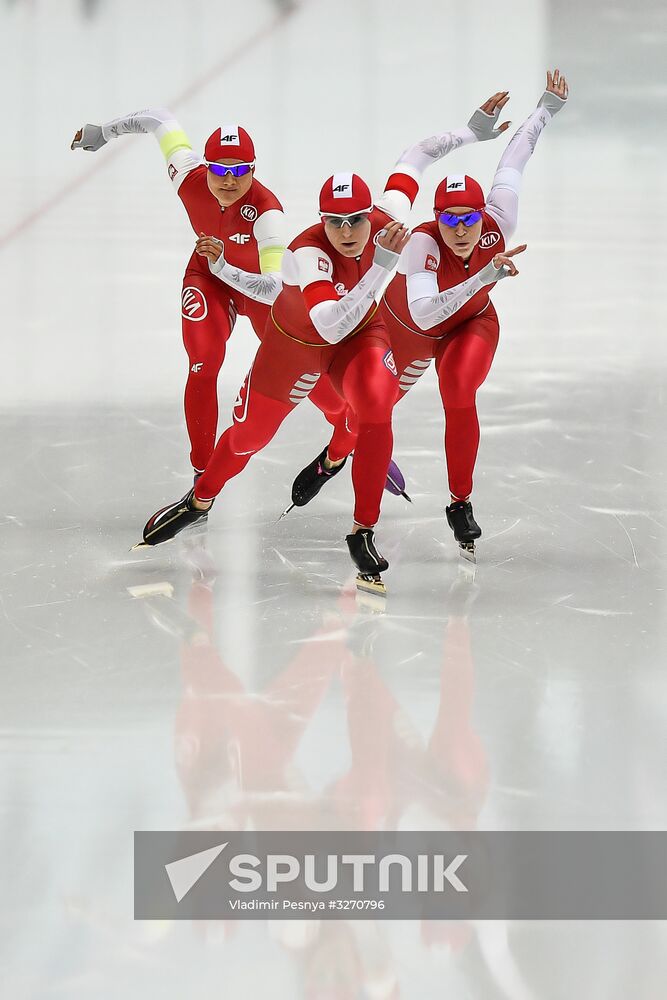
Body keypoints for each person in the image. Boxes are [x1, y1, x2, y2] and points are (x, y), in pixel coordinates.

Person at [136, 92, 515, 592]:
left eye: (357, 219)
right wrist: (381, 267)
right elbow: (331, 323)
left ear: (368, 214)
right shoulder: (305, 254)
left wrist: (472, 133)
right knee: (250, 439)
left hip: (360, 335)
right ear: (321, 221)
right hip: (295, 345)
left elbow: (416, 157)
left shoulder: (383, 221)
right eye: (335, 222)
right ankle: (200, 498)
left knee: (375, 407)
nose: (348, 231)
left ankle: (362, 531)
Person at [293, 70, 569, 563]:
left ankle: (460, 503)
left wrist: (543, 110)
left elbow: (513, 160)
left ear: (482, 213)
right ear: (435, 219)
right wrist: (484, 279)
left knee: (458, 389)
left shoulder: (498, 218)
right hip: (410, 332)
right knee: (368, 416)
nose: (460, 230)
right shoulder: (419, 240)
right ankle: (337, 454)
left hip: (470, 325)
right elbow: (423, 314)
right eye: (449, 220)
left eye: (468, 219)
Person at [70, 108, 350, 481]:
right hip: (208, 275)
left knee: (303, 369)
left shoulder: (268, 214)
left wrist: (224, 268)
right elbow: (158, 121)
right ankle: (202, 473)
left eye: (239, 171)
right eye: (219, 170)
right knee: (203, 362)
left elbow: (271, 288)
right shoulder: (187, 177)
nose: (229, 180)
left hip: (255, 289)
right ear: (206, 167)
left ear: (254, 169)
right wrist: (104, 132)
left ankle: (350, 430)